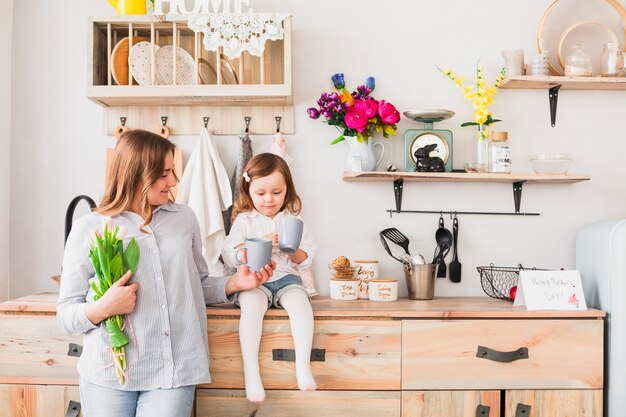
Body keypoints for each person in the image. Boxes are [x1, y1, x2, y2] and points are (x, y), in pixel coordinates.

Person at [57, 130, 275, 417]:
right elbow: (66, 315)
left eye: (172, 171)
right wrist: (102, 308)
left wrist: (236, 282)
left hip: (173, 369)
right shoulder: (90, 228)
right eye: (164, 174)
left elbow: (196, 285)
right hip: (109, 371)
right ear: (136, 174)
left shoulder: (184, 218)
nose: (173, 182)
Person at [222, 153, 317, 403]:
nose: (269, 200)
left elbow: (307, 259)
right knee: (251, 306)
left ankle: (303, 367)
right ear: (248, 190)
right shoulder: (243, 220)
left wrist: (292, 249)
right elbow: (230, 255)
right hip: (255, 281)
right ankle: (251, 373)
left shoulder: (294, 221)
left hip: (287, 279)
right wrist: (259, 244)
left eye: (277, 192)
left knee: (301, 305)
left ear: (287, 190)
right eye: (261, 193)